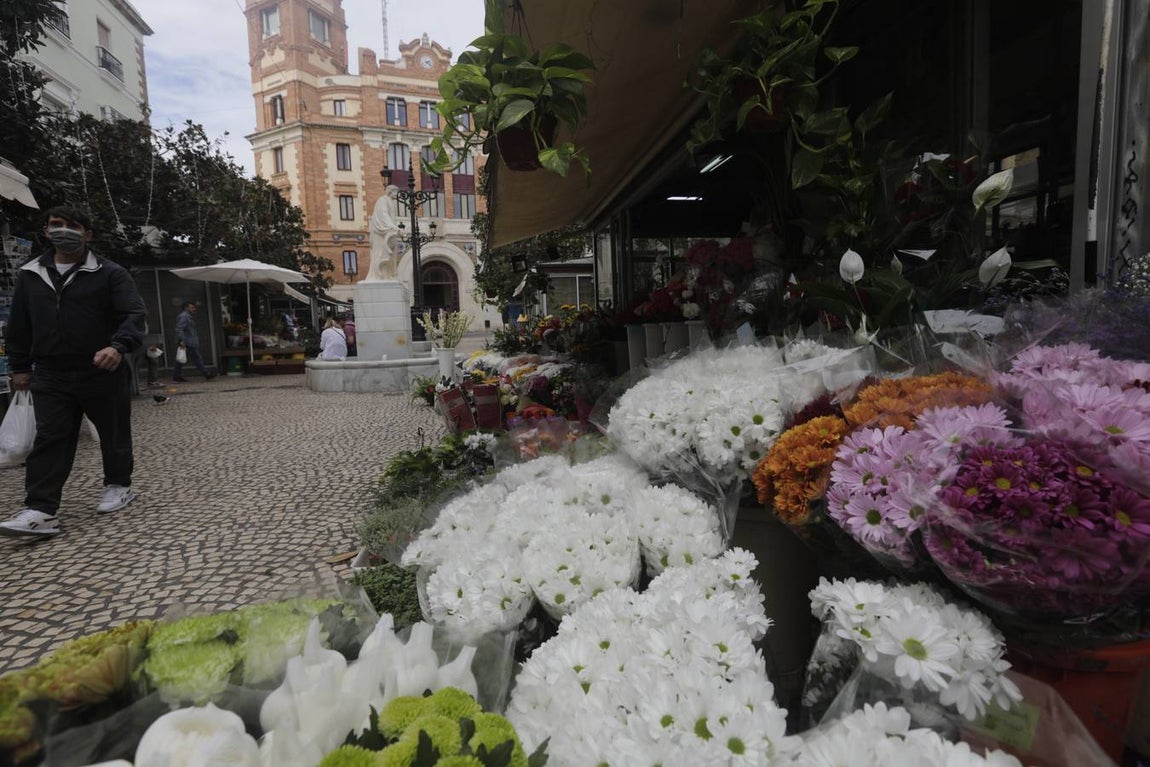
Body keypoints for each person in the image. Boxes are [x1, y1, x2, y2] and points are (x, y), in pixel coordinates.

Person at [1, 205, 147, 537]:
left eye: (71, 225)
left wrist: (118, 346)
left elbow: (133, 314)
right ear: (45, 230)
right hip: (51, 373)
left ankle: (118, 484)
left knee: (112, 433)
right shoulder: (30, 275)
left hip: (100, 367)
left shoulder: (109, 273)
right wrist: (20, 366)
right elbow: (19, 325)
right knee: (51, 437)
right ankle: (41, 508)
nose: (62, 230)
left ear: (87, 234)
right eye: (56, 224)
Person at [172, 301, 216, 382]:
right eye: (192, 307)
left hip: (189, 342)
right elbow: (179, 329)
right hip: (187, 342)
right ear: (186, 308)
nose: (194, 309)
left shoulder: (187, 316)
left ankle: (176, 376)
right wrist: (181, 341)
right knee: (196, 358)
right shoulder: (184, 316)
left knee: (181, 360)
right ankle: (206, 374)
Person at [367, 185, 401, 281]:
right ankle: (379, 276)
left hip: (389, 234)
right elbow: (383, 215)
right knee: (381, 254)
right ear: (390, 191)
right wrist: (392, 227)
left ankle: (387, 275)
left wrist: (393, 228)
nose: (396, 195)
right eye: (395, 192)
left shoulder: (390, 202)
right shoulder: (383, 200)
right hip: (382, 234)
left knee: (390, 256)